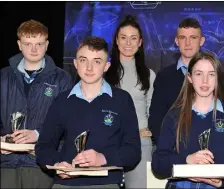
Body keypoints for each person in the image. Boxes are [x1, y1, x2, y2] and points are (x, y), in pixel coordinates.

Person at [35, 36, 141, 188]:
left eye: (97, 61)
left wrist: (103, 158)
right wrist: (57, 163)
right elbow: (43, 146)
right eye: (84, 60)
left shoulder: (122, 100)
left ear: (107, 66)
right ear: (76, 64)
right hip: (66, 184)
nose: (89, 68)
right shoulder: (62, 100)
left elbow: (133, 151)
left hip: (106, 183)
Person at [152, 51, 224, 189]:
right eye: (199, 74)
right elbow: (158, 163)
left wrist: (222, 180)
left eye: (211, 74)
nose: (205, 81)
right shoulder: (174, 116)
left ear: (218, 78)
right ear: (189, 77)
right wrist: (187, 160)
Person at [0, 19, 72, 188]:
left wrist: (38, 134)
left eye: (39, 43)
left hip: (40, 163)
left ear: (47, 45)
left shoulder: (62, 79)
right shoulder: (3, 77)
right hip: (5, 163)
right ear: (19, 44)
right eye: (28, 43)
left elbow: (67, 123)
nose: (34, 49)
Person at [105, 15, 156, 188]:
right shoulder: (103, 72)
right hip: (108, 144)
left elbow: (151, 109)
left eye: (133, 38)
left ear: (140, 42)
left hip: (141, 145)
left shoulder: (149, 75)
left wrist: (147, 129)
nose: (128, 43)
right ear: (116, 41)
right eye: (123, 38)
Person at [149, 17, 205, 145]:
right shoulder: (164, 76)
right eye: (182, 38)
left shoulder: (214, 75)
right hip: (171, 150)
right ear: (176, 41)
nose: (188, 43)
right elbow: (156, 118)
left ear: (201, 41)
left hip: (207, 150)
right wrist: (167, 147)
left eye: (193, 38)